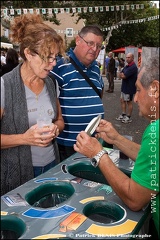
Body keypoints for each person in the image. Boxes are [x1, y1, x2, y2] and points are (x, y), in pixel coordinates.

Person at [74, 57, 159, 238]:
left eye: (138, 90)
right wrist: (116, 138)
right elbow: (151, 157)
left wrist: (98, 154)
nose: (135, 98)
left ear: (155, 89)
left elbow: (134, 199)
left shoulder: (156, 131)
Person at [1, 13, 66, 196]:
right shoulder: (5, 85)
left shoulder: (52, 83)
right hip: (17, 177)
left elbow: (60, 120)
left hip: (51, 167)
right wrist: (24, 138)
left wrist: (55, 128)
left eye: (55, 57)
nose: (52, 64)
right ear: (28, 53)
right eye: (47, 57)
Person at [50, 25, 105, 161]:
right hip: (68, 144)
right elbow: (49, 104)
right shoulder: (58, 66)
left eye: (98, 46)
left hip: (93, 142)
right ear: (78, 40)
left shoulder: (95, 69)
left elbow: (98, 94)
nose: (94, 49)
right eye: (90, 43)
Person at [116, 53, 138, 123]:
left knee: (128, 102)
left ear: (132, 58)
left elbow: (124, 76)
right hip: (124, 87)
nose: (127, 59)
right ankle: (123, 114)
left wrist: (122, 75)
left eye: (129, 57)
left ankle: (128, 117)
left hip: (129, 88)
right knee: (122, 100)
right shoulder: (127, 66)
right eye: (126, 57)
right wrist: (122, 74)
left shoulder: (133, 67)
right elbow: (120, 74)